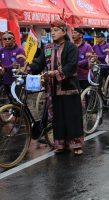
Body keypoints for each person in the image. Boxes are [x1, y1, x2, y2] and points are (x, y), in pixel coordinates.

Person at [29, 20, 84, 155]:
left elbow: (71, 66)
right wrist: (28, 68)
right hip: (53, 89)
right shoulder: (47, 48)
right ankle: (60, 143)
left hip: (69, 87)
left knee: (72, 116)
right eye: (51, 31)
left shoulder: (71, 47)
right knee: (58, 117)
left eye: (56, 30)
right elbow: (39, 63)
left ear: (64, 32)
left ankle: (76, 145)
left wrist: (55, 73)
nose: (52, 33)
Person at [0, 31, 26, 101]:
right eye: (5, 39)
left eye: (9, 38)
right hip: (5, 80)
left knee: (18, 101)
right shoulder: (1, 50)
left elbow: (18, 64)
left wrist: (5, 69)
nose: (7, 40)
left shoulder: (20, 50)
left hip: (17, 80)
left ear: (14, 39)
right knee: (10, 101)